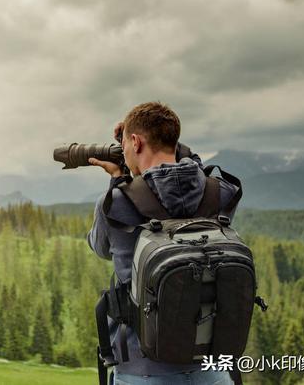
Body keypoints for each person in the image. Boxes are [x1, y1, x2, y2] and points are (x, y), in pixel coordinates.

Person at [87, 102, 239, 385]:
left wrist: (118, 181)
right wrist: (169, 143)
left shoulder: (115, 203)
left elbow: (100, 247)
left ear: (134, 141)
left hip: (142, 370)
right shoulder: (221, 193)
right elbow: (188, 179)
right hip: (212, 368)